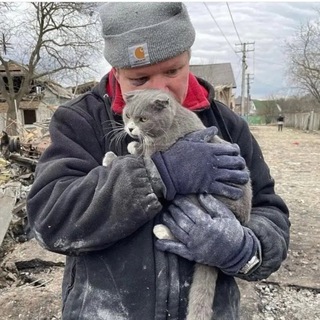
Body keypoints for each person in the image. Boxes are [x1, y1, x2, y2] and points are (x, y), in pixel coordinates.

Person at [26, 3, 290, 320]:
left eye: (172, 71)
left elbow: (268, 210)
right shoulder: (80, 121)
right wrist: (156, 175)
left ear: (188, 58)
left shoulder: (227, 124)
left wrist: (244, 249)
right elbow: (48, 220)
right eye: (139, 78)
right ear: (117, 72)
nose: (158, 89)